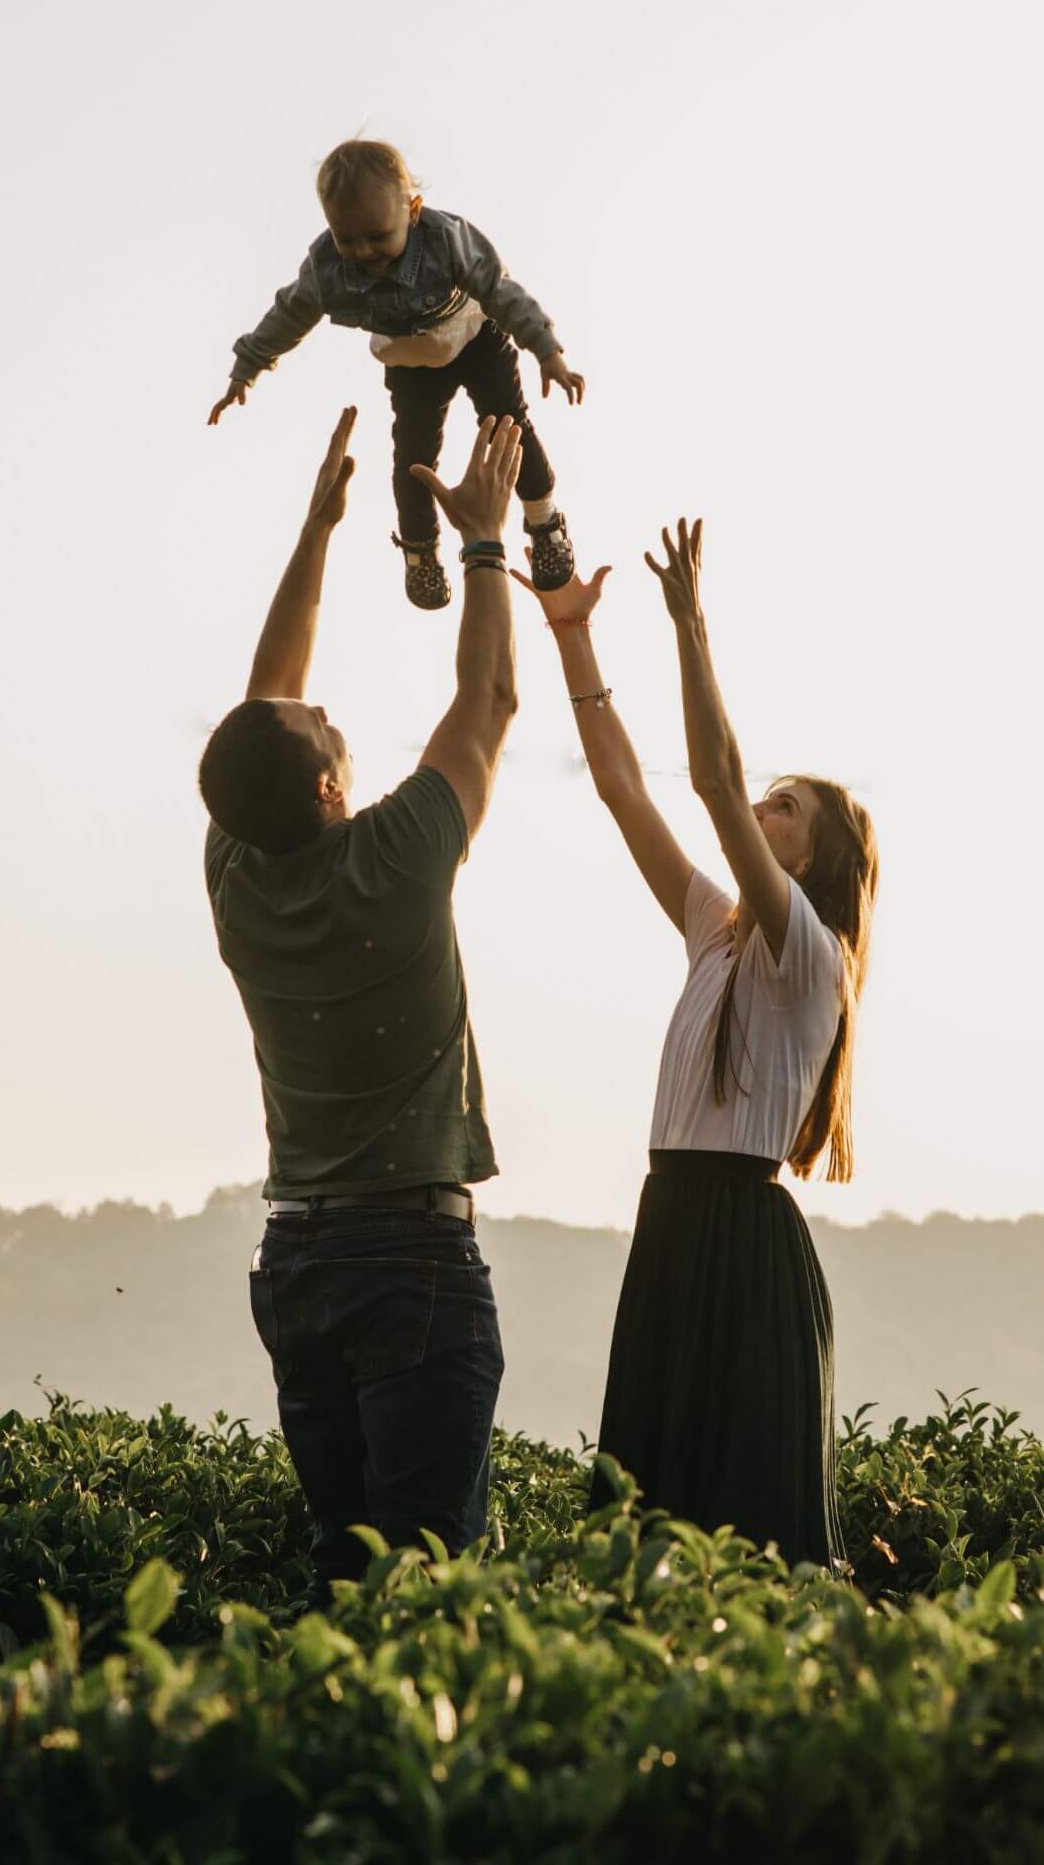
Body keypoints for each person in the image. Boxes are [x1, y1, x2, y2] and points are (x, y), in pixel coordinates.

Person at [199, 407, 533, 1594]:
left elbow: (261, 709)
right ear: (334, 784)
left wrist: (317, 529)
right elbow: (487, 703)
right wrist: (486, 543)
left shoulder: (238, 868)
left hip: (298, 1259)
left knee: (340, 1573)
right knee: (427, 1585)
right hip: (409, 1257)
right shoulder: (393, 857)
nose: (325, 705)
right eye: (325, 723)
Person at [512, 517, 879, 1571]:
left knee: (749, 1542)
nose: (760, 810)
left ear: (817, 854)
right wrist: (572, 634)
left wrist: (690, 625)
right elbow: (626, 787)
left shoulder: (810, 949)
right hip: (671, 1223)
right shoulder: (714, 928)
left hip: (743, 1248)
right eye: (768, 800)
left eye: (784, 807)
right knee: (645, 1527)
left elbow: (713, 782)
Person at [207, 138, 585, 612]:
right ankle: (419, 550)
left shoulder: (446, 238)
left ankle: (543, 518)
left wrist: (547, 350)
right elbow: (287, 315)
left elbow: (499, 289)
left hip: (474, 334)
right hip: (411, 360)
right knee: (413, 455)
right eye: (348, 239)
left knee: (507, 423)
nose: (364, 251)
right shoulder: (326, 271)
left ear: (413, 210)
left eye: (378, 236)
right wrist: (247, 370)